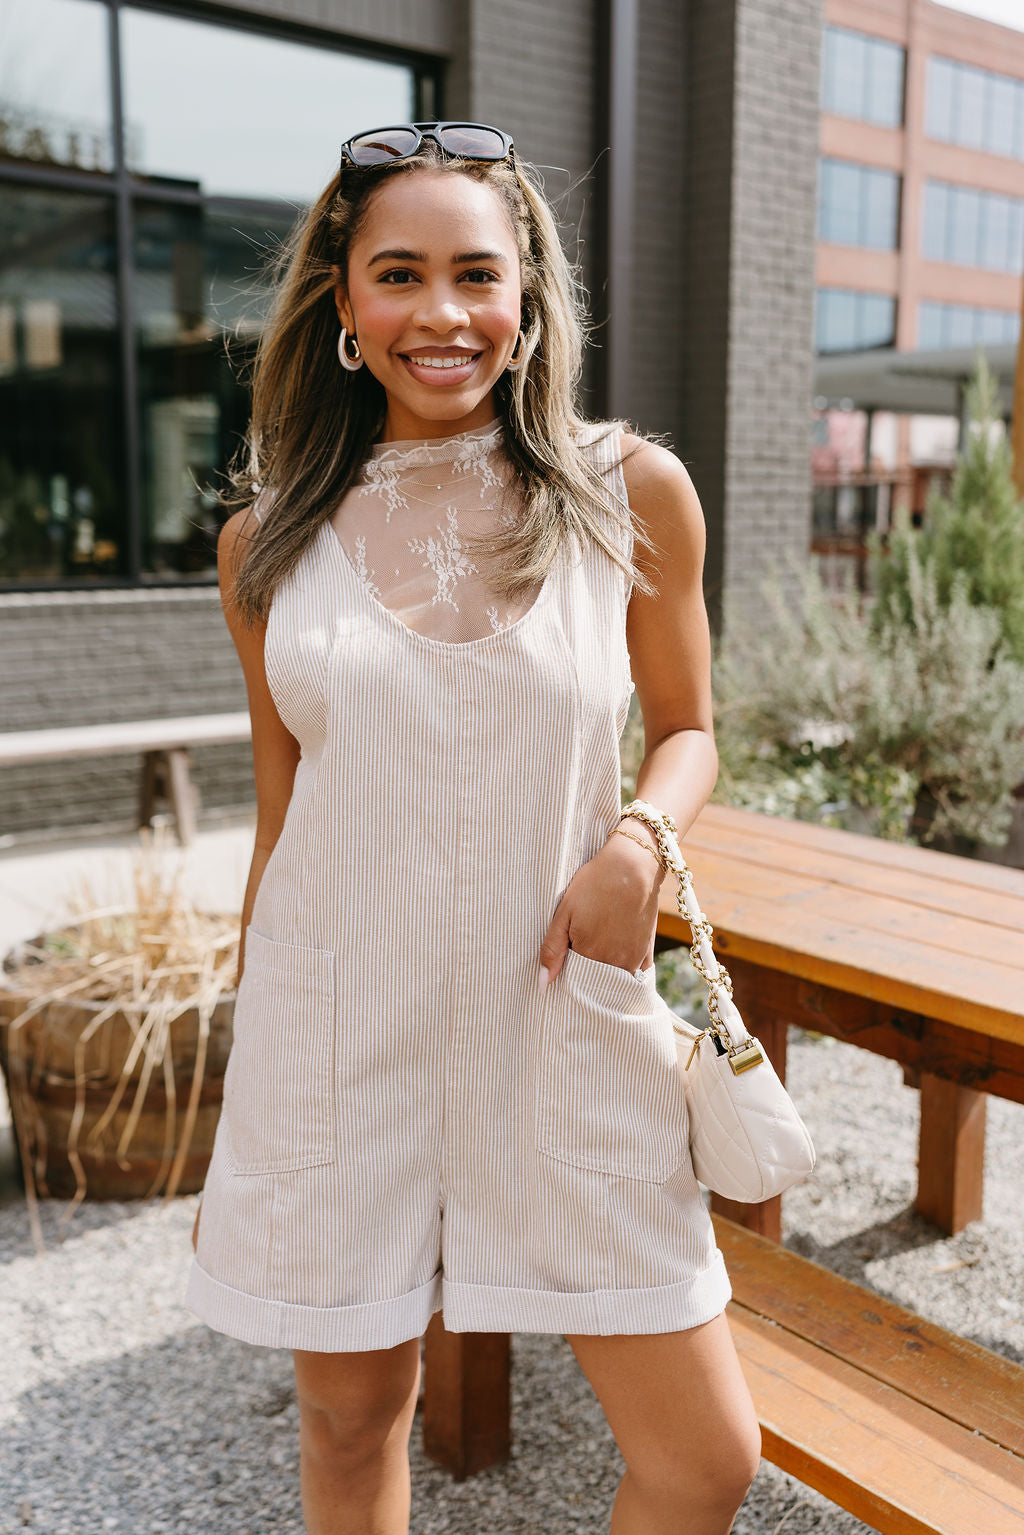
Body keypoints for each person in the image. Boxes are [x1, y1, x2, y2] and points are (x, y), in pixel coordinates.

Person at [186, 120, 761, 1535]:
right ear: (342, 307)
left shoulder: (632, 493)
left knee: (706, 1460)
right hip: (341, 1036)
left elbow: (688, 730)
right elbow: (285, 814)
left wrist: (638, 844)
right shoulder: (265, 546)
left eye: (475, 276)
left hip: (562, 1023)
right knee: (350, 1420)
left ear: (526, 300)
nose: (441, 314)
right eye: (399, 274)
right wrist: (255, 1080)